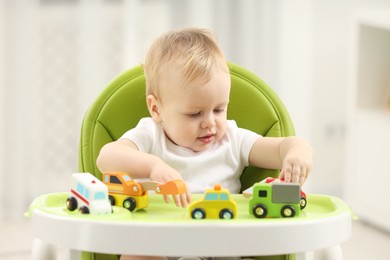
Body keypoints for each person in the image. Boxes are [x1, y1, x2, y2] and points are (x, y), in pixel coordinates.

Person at [96, 27, 313, 260]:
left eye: (219, 109)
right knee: (136, 254)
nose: (209, 123)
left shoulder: (232, 138)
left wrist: (298, 151)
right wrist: (152, 166)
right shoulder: (150, 134)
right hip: (160, 243)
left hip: (221, 245)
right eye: (194, 114)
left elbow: (281, 148)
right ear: (157, 109)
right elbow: (106, 158)